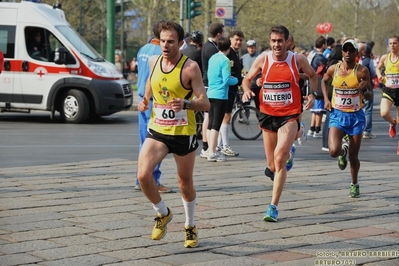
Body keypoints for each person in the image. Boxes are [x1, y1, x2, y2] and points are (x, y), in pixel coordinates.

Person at [137, 20, 210, 248]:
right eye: (162, 41)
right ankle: (162, 213)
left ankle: (190, 225)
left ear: (181, 42)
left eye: (171, 42)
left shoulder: (190, 68)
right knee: (143, 176)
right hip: (158, 129)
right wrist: (146, 98)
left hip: (183, 133)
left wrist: (186, 104)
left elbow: (205, 103)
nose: (166, 46)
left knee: (184, 184)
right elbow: (151, 80)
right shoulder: (153, 61)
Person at [242, 25, 318, 222]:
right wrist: (247, 90)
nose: (277, 44)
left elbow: (313, 75)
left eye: (280, 41)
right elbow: (247, 79)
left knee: (279, 159)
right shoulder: (263, 59)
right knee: (272, 166)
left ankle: (273, 206)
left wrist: (312, 94)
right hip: (267, 115)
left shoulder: (297, 59)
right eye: (273, 41)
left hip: (289, 115)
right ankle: (295, 140)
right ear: (270, 42)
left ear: (287, 42)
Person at [321, 38, 371, 198]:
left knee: (354, 157)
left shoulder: (362, 71)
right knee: (333, 151)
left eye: (351, 50)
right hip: (338, 115)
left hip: (356, 117)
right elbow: (324, 81)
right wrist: (327, 99)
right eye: (345, 50)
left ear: (357, 53)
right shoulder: (333, 69)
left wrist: (364, 90)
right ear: (342, 52)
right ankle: (342, 151)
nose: (348, 53)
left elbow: (369, 96)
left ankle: (354, 183)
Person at [134, 20, 172, 193]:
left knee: (144, 143)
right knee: (156, 144)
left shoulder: (143, 49)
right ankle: (153, 180)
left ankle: (139, 179)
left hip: (142, 98)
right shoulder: (160, 53)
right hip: (154, 101)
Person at [206, 37, 238, 162]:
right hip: (221, 95)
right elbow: (226, 80)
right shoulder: (225, 60)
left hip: (210, 92)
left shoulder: (213, 58)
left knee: (210, 124)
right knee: (216, 125)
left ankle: (209, 149)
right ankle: (213, 153)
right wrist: (236, 80)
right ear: (229, 48)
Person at [217, 30, 244, 157]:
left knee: (224, 116)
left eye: (240, 40)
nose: (238, 42)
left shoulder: (235, 54)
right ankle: (224, 146)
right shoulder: (228, 54)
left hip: (231, 89)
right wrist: (238, 80)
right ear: (230, 39)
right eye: (236, 39)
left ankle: (219, 145)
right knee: (226, 116)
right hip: (227, 89)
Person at [200, 23, 225, 159]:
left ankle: (208, 147)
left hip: (208, 84)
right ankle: (207, 147)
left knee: (208, 117)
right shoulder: (211, 48)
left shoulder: (209, 46)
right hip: (210, 85)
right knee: (209, 118)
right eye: (224, 32)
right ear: (219, 34)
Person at [376, 35, 399, 138]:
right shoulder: (385, 57)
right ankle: (392, 123)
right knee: (384, 113)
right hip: (388, 90)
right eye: (390, 43)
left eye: (395, 43)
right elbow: (378, 68)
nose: (392, 45)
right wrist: (379, 75)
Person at [322, 44, 343, 152]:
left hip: (329, 93)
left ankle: (325, 143)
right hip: (334, 93)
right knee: (331, 119)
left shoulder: (329, 62)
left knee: (328, 118)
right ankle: (329, 142)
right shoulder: (338, 65)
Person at [308, 36, 327, 138]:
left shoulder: (312, 55)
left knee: (314, 110)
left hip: (312, 83)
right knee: (319, 110)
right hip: (319, 83)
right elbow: (321, 71)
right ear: (323, 45)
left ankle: (312, 128)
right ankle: (317, 129)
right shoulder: (321, 58)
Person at [361, 45, 377, 139]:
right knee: (368, 109)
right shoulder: (369, 61)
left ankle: (361, 128)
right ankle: (367, 131)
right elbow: (373, 72)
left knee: (361, 108)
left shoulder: (360, 60)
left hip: (360, 85)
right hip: (368, 85)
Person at [241, 39, 261, 109]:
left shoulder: (259, 57)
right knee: (245, 104)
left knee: (258, 104)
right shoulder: (244, 57)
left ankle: (259, 118)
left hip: (257, 85)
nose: (251, 49)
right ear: (247, 48)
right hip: (248, 84)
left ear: (255, 47)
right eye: (249, 47)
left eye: (252, 47)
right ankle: (244, 117)